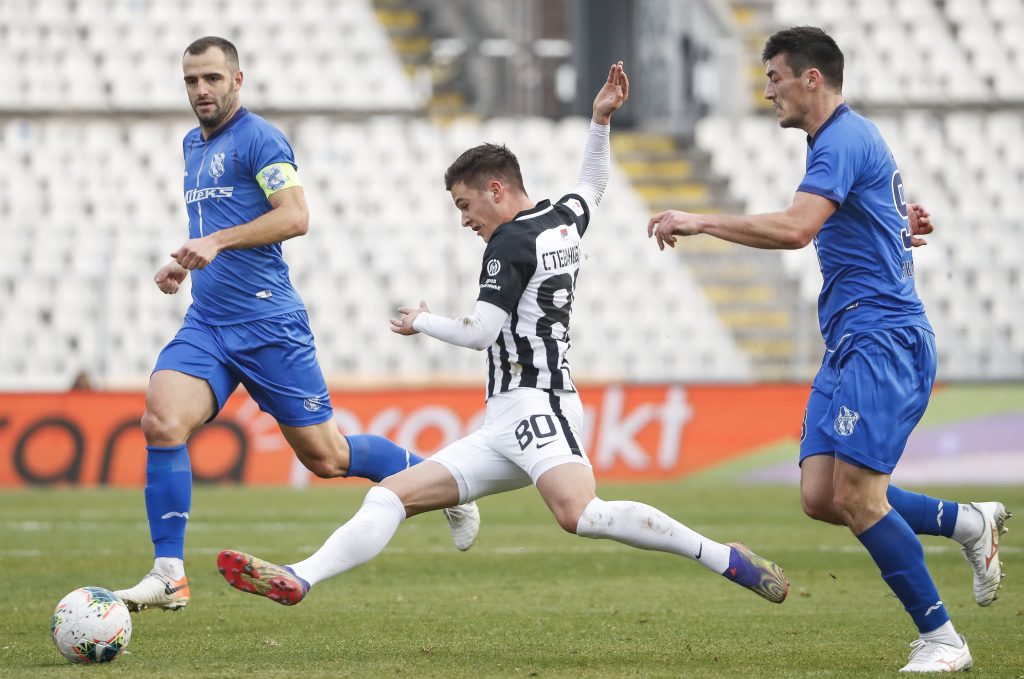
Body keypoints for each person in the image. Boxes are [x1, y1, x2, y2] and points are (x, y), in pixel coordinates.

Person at [214, 62, 790, 611]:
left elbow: (481, 332)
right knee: (391, 494)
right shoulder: (562, 216)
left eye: (465, 205)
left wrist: (421, 321)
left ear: (495, 189)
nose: (464, 219)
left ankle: (723, 558)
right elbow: (592, 184)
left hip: (537, 405)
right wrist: (600, 121)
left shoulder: (510, 243)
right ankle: (301, 576)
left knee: (581, 515)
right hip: (507, 418)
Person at [647, 26, 1011, 673]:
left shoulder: (842, 138)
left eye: (775, 78)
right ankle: (967, 522)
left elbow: (796, 229)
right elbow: (869, 218)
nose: (768, 92)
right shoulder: (840, 144)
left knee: (860, 496)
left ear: (812, 79)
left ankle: (942, 637)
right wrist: (899, 228)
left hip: (883, 338)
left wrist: (700, 219)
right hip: (849, 340)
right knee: (821, 493)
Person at [113, 36, 479, 613]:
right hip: (209, 322)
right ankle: (168, 576)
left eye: (212, 78)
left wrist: (215, 241)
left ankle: (443, 481)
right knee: (160, 421)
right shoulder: (190, 144)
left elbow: (295, 216)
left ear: (238, 80)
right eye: (191, 81)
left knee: (327, 458)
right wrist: (183, 263)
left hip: (268, 324)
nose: (201, 90)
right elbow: (216, 227)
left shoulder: (260, 138)